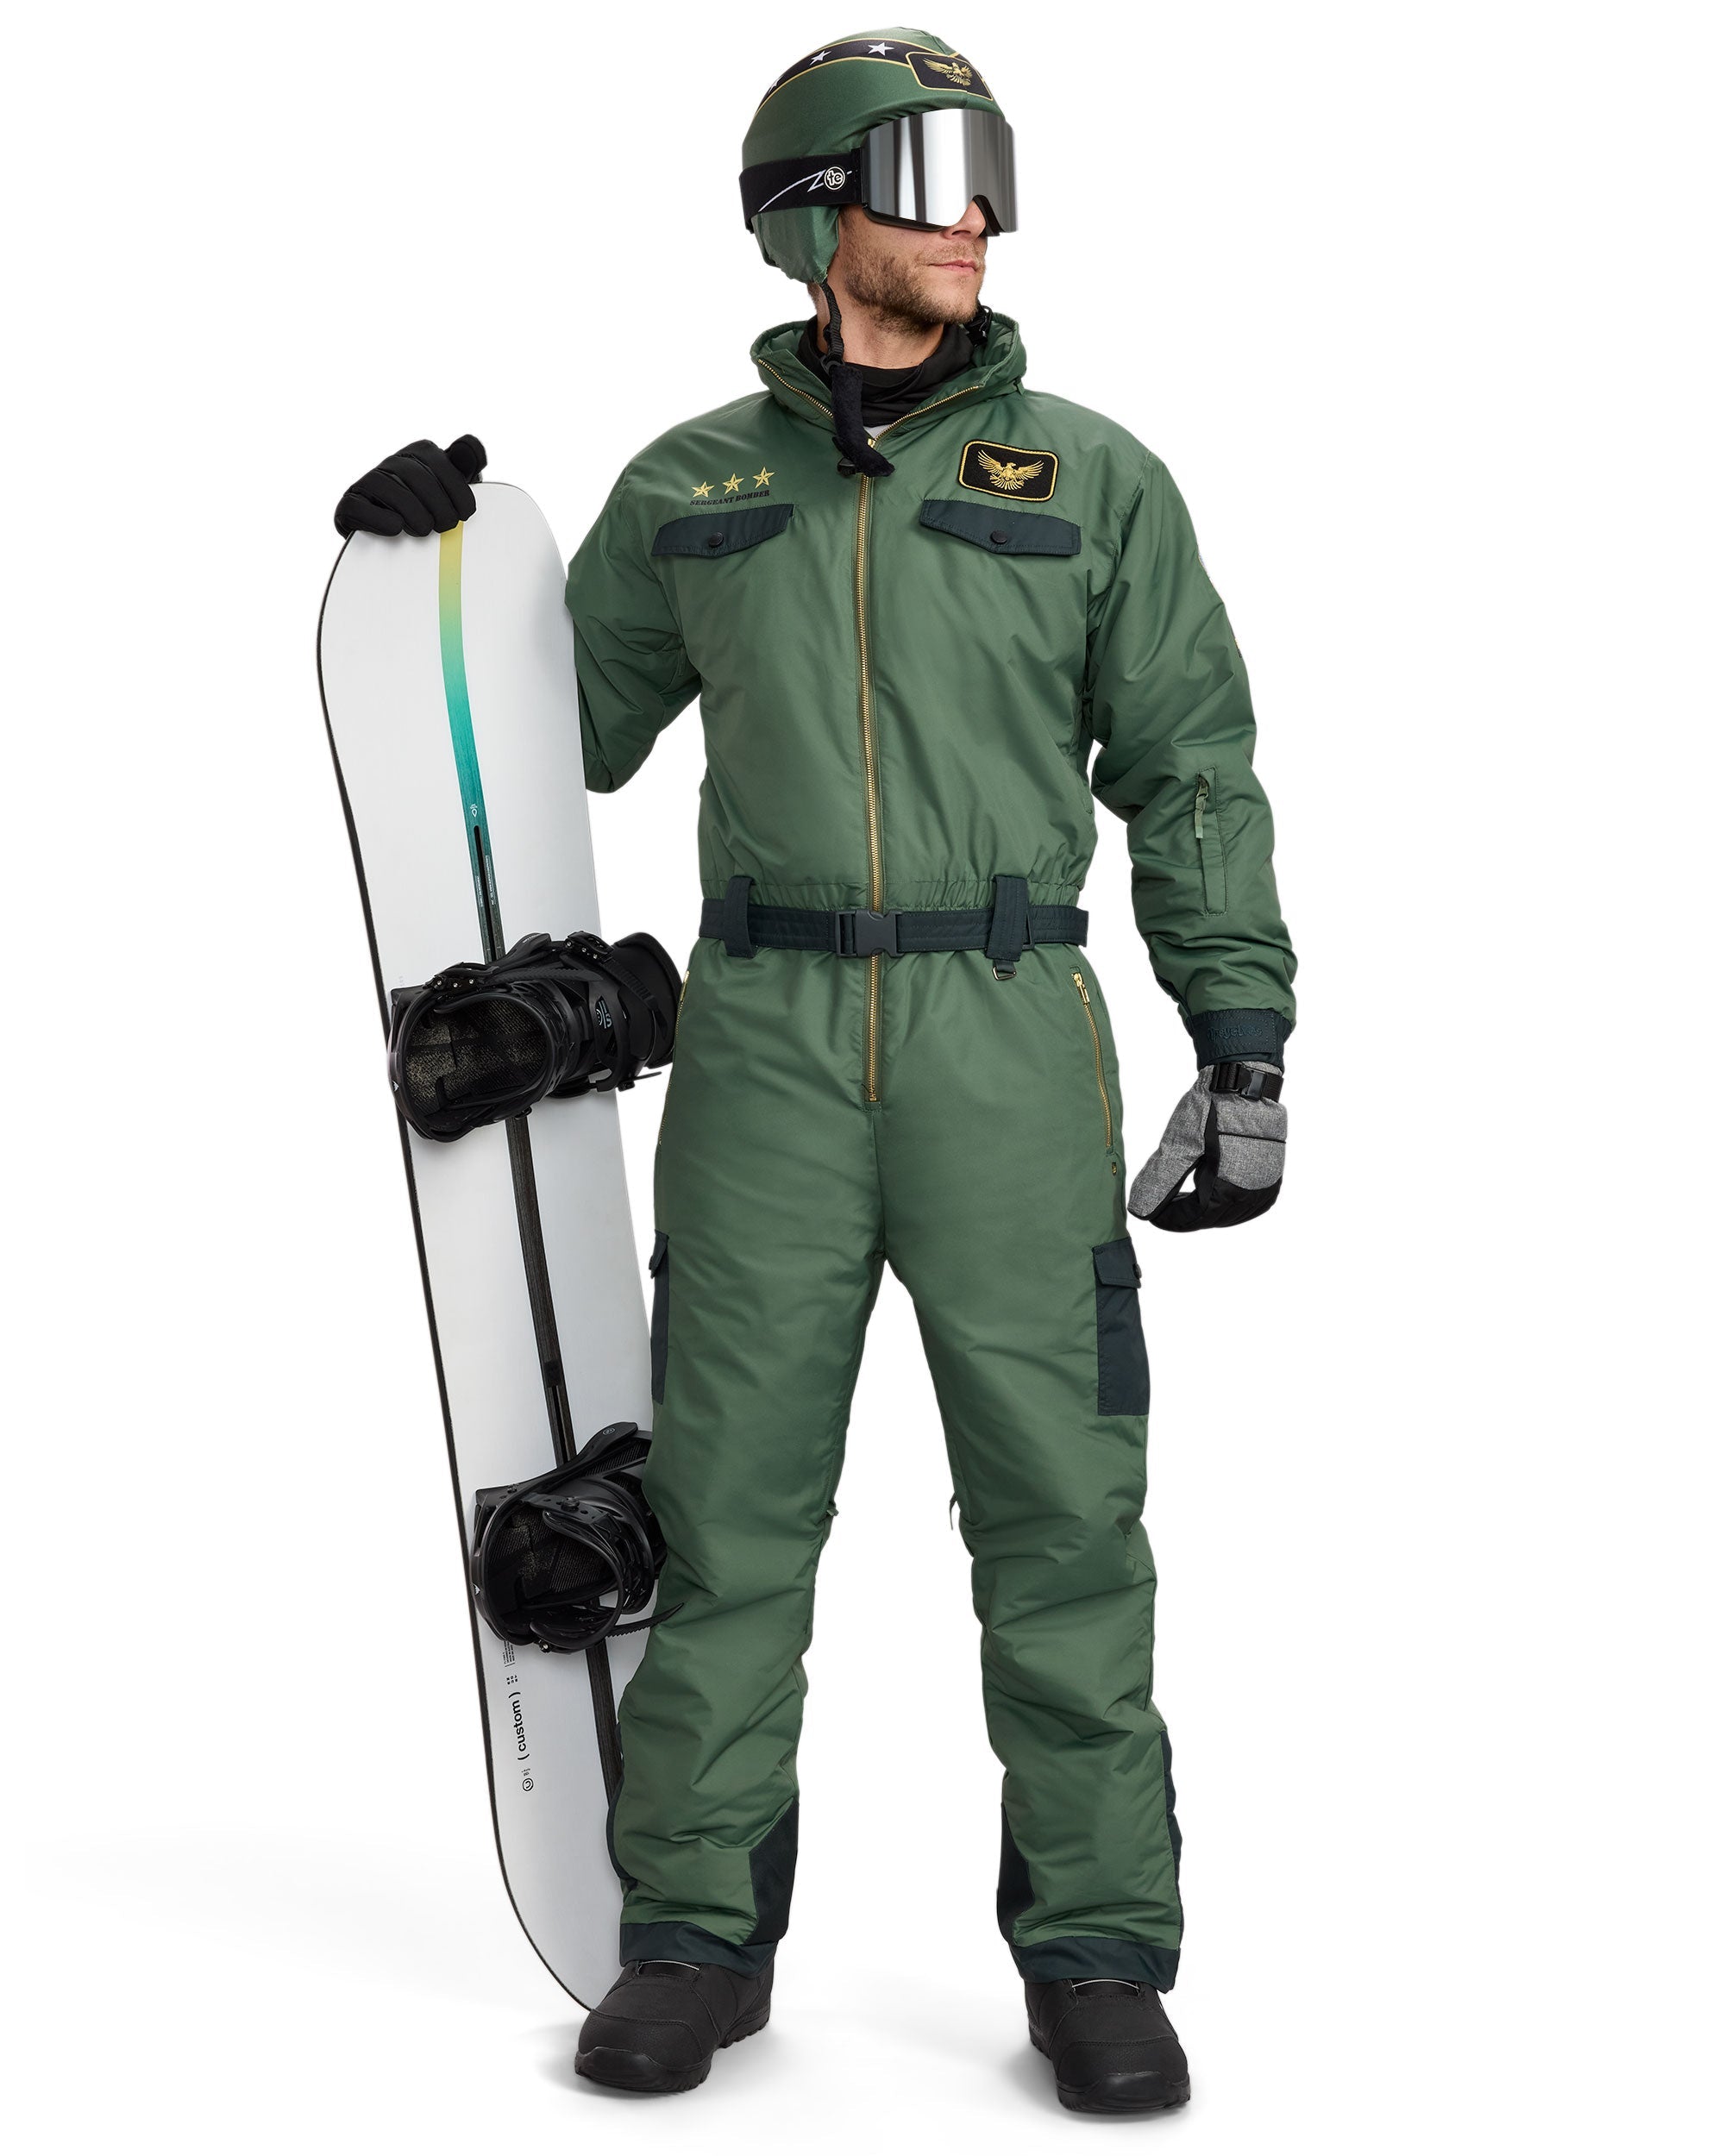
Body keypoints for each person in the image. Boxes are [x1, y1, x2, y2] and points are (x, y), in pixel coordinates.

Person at [334, 27, 1295, 2116]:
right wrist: (435, 571)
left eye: (993, 169)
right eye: (931, 170)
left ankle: (1098, 1951)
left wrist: (1242, 1037)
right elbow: (548, 739)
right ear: (806, 212)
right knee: (727, 1507)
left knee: (1061, 1514)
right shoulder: (696, 490)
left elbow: (1193, 769)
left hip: (1005, 1040)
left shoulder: (1094, 480)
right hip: (765, 1045)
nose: (978, 214)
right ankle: (691, 1931)